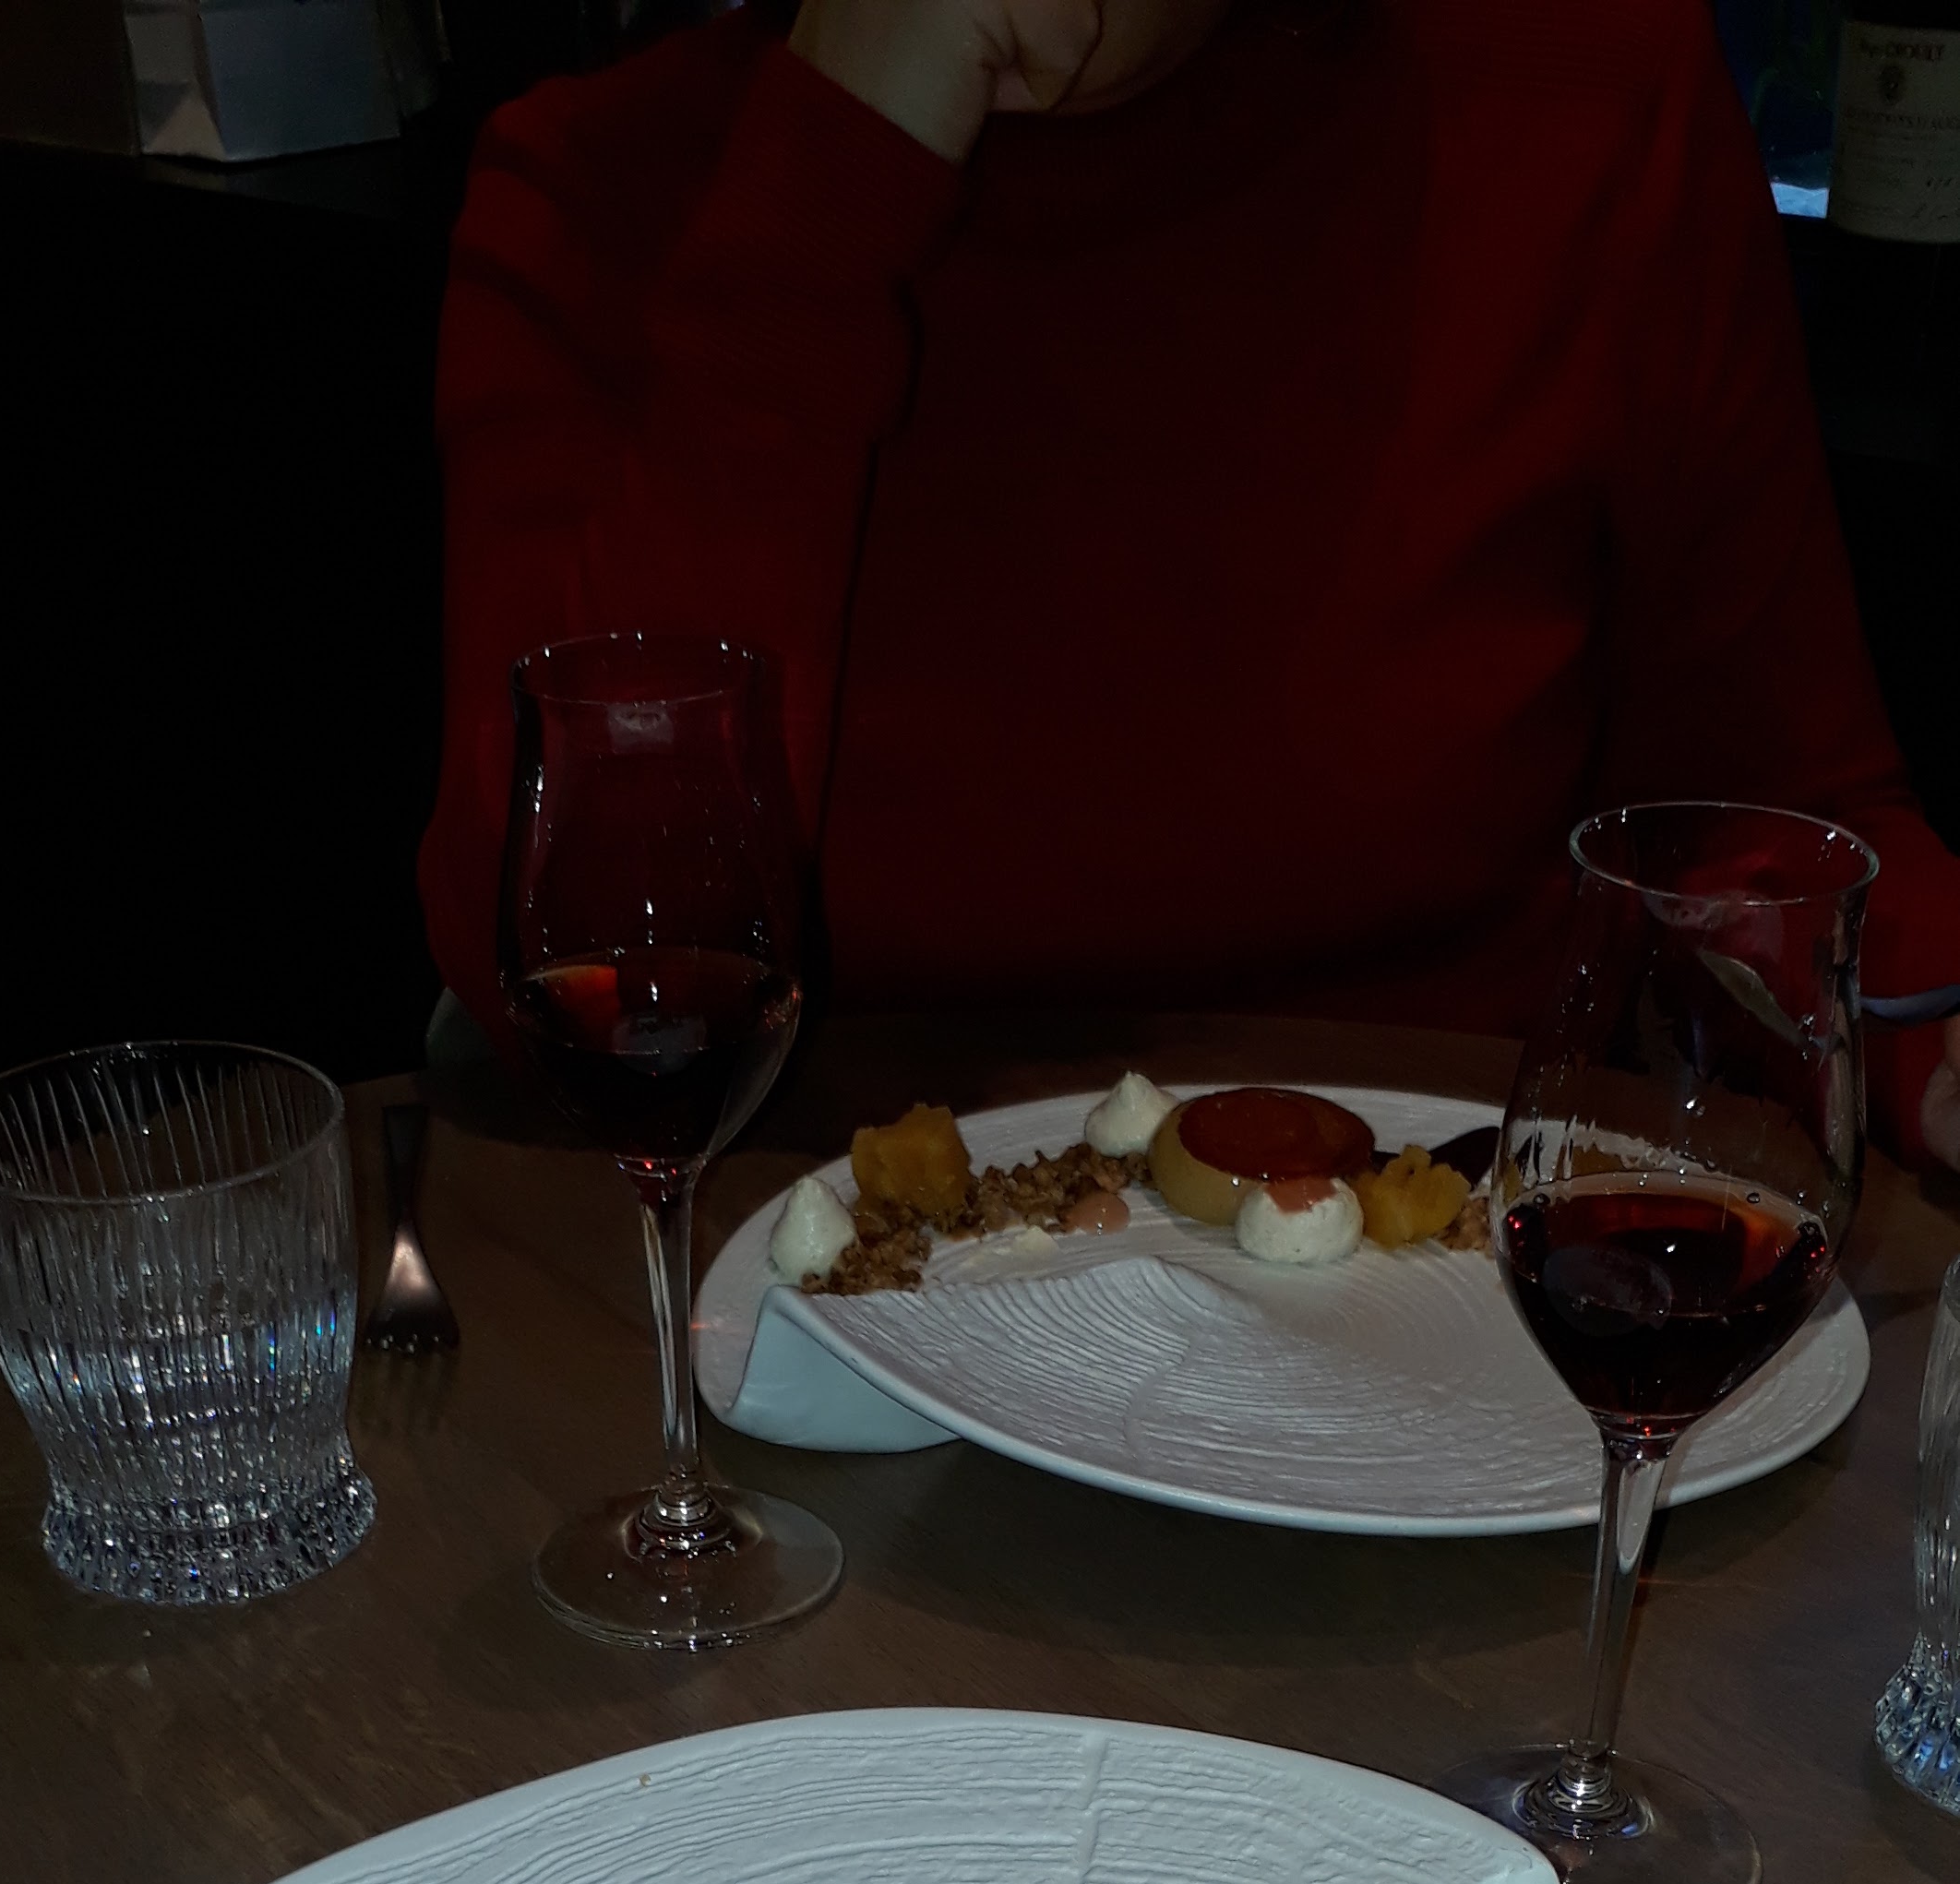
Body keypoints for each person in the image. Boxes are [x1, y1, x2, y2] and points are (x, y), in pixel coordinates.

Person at [418, 0, 1960, 1170]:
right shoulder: (599, 192)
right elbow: (572, 969)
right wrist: (838, 150)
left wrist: (1930, 1027)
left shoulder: (1584, 91)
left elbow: (1773, 824)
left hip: (1443, 1326)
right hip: (808, 1324)